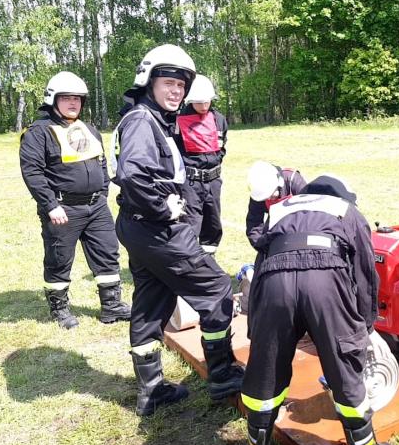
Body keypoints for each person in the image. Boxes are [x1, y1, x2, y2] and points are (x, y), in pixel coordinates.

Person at [112, 44, 244, 417]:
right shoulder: (142, 121)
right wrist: (164, 206)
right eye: (169, 83)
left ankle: (151, 389)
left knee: (152, 302)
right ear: (148, 82)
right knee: (217, 289)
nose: (176, 92)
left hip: (138, 228)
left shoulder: (150, 119)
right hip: (158, 228)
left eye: (181, 86)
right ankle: (221, 374)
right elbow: (135, 172)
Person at [240, 175, 392, 445]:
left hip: (273, 284)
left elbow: (261, 254)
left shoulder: (281, 210)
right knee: (342, 369)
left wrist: (259, 330)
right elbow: (364, 274)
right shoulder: (347, 211)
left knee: (266, 368)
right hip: (325, 280)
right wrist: (361, 327)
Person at [19, 71, 130, 330]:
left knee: (107, 253)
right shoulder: (39, 132)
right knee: (59, 258)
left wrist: (102, 193)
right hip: (62, 208)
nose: (73, 103)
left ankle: (111, 306)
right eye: (67, 98)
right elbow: (32, 172)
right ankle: (59, 309)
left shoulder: (88, 128)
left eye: (78, 99)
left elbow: (101, 162)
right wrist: (50, 205)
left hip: (96, 206)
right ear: (53, 100)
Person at [239, 161, 307, 315]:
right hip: (275, 231)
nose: (270, 198)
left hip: (301, 231)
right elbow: (254, 224)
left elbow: (311, 216)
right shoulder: (259, 192)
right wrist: (263, 246)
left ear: (279, 182)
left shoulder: (295, 181)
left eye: (273, 194)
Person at [174, 74, 228, 254]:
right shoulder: (177, 121)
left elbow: (222, 146)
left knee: (213, 223)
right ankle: (188, 260)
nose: (204, 106)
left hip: (213, 181)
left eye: (207, 102)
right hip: (190, 182)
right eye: (199, 102)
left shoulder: (218, 119)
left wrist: (216, 162)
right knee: (190, 223)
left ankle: (209, 257)